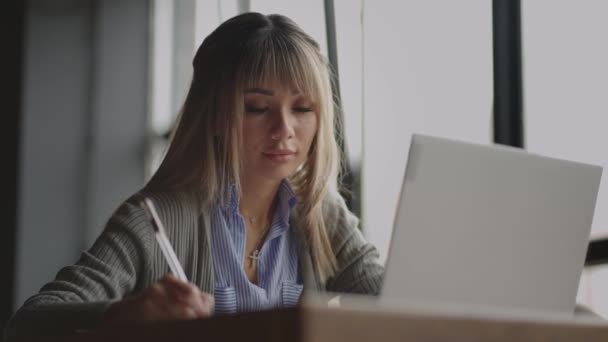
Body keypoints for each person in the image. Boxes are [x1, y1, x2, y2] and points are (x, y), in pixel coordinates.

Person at [5, 12, 384, 340]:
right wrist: (124, 314)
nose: (284, 128)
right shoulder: (153, 220)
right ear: (216, 114)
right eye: (257, 108)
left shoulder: (321, 213)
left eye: (302, 108)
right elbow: (30, 322)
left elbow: (397, 301)